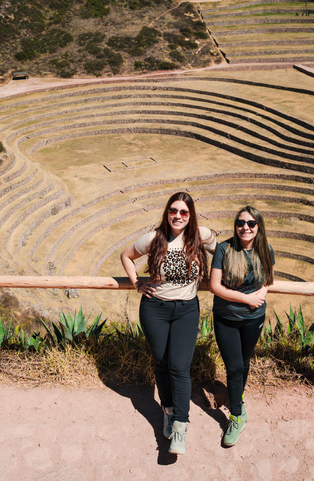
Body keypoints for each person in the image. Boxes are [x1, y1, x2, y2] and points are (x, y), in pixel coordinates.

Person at [120, 191, 217, 455]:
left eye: (184, 212)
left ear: (190, 215)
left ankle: (180, 426)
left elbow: (223, 253)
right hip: (155, 309)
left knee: (180, 366)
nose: (178, 216)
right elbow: (127, 256)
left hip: (186, 310)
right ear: (167, 212)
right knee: (161, 362)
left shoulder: (202, 236)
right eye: (173, 211)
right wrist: (137, 283)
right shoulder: (154, 238)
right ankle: (168, 410)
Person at [209, 206, 274, 447]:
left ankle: (238, 399)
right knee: (234, 366)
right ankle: (236, 417)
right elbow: (215, 286)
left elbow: (268, 278)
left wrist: (262, 294)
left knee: (244, 362)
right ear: (235, 225)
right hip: (226, 317)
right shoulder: (224, 249)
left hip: (254, 319)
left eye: (250, 223)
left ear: (258, 227)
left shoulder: (265, 250)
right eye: (240, 223)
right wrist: (247, 299)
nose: (245, 227)